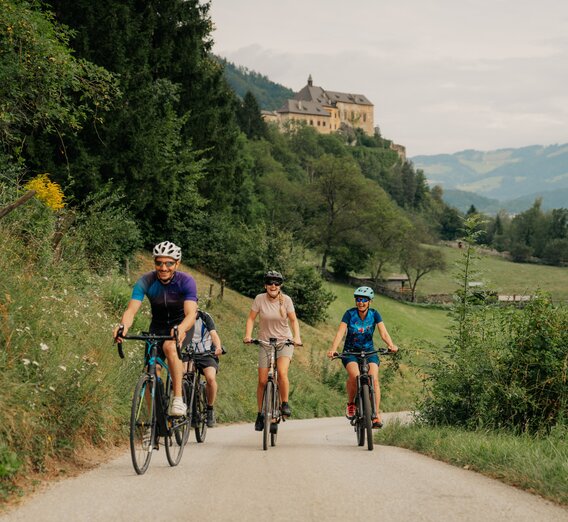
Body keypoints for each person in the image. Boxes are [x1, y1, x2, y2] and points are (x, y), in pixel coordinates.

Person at [113, 241, 198, 417]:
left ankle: (178, 399)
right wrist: (123, 326)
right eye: (159, 263)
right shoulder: (146, 280)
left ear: (177, 263)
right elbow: (131, 309)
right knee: (150, 374)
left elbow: (191, 313)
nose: (163, 267)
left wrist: (181, 328)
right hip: (157, 327)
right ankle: (154, 423)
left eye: (168, 263)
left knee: (169, 346)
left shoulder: (186, 281)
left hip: (181, 326)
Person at [326, 286, 397, 428]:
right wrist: (333, 349)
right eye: (358, 299)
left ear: (370, 301)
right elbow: (340, 333)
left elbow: (383, 333)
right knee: (355, 376)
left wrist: (391, 344)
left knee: (374, 379)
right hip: (350, 352)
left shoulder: (375, 314)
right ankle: (351, 404)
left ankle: (376, 414)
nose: (361, 302)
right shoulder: (349, 314)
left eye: (364, 300)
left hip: (369, 351)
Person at [243, 270, 302, 431]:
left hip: (284, 342)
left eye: (276, 283)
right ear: (265, 285)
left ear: (280, 286)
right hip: (265, 343)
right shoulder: (259, 299)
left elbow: (293, 320)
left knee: (282, 372)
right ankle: (260, 414)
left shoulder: (287, 300)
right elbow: (251, 318)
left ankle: (284, 404)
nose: (273, 286)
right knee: (262, 381)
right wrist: (248, 335)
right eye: (270, 283)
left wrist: (297, 337)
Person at [185, 309, 223, 427]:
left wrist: (218, 347)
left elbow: (213, 334)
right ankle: (189, 408)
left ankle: (210, 408)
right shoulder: (181, 317)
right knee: (183, 377)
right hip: (188, 354)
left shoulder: (205, 317)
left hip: (206, 354)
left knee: (210, 379)